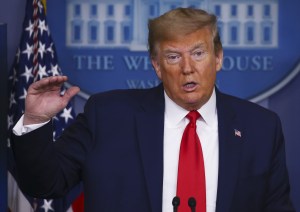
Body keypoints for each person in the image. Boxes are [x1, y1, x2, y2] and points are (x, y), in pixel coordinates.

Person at [11, 7, 295, 212]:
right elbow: (45, 184)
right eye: (173, 56)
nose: (187, 68)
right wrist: (35, 121)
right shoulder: (107, 116)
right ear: (157, 66)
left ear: (218, 58)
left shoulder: (261, 127)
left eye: (198, 53)